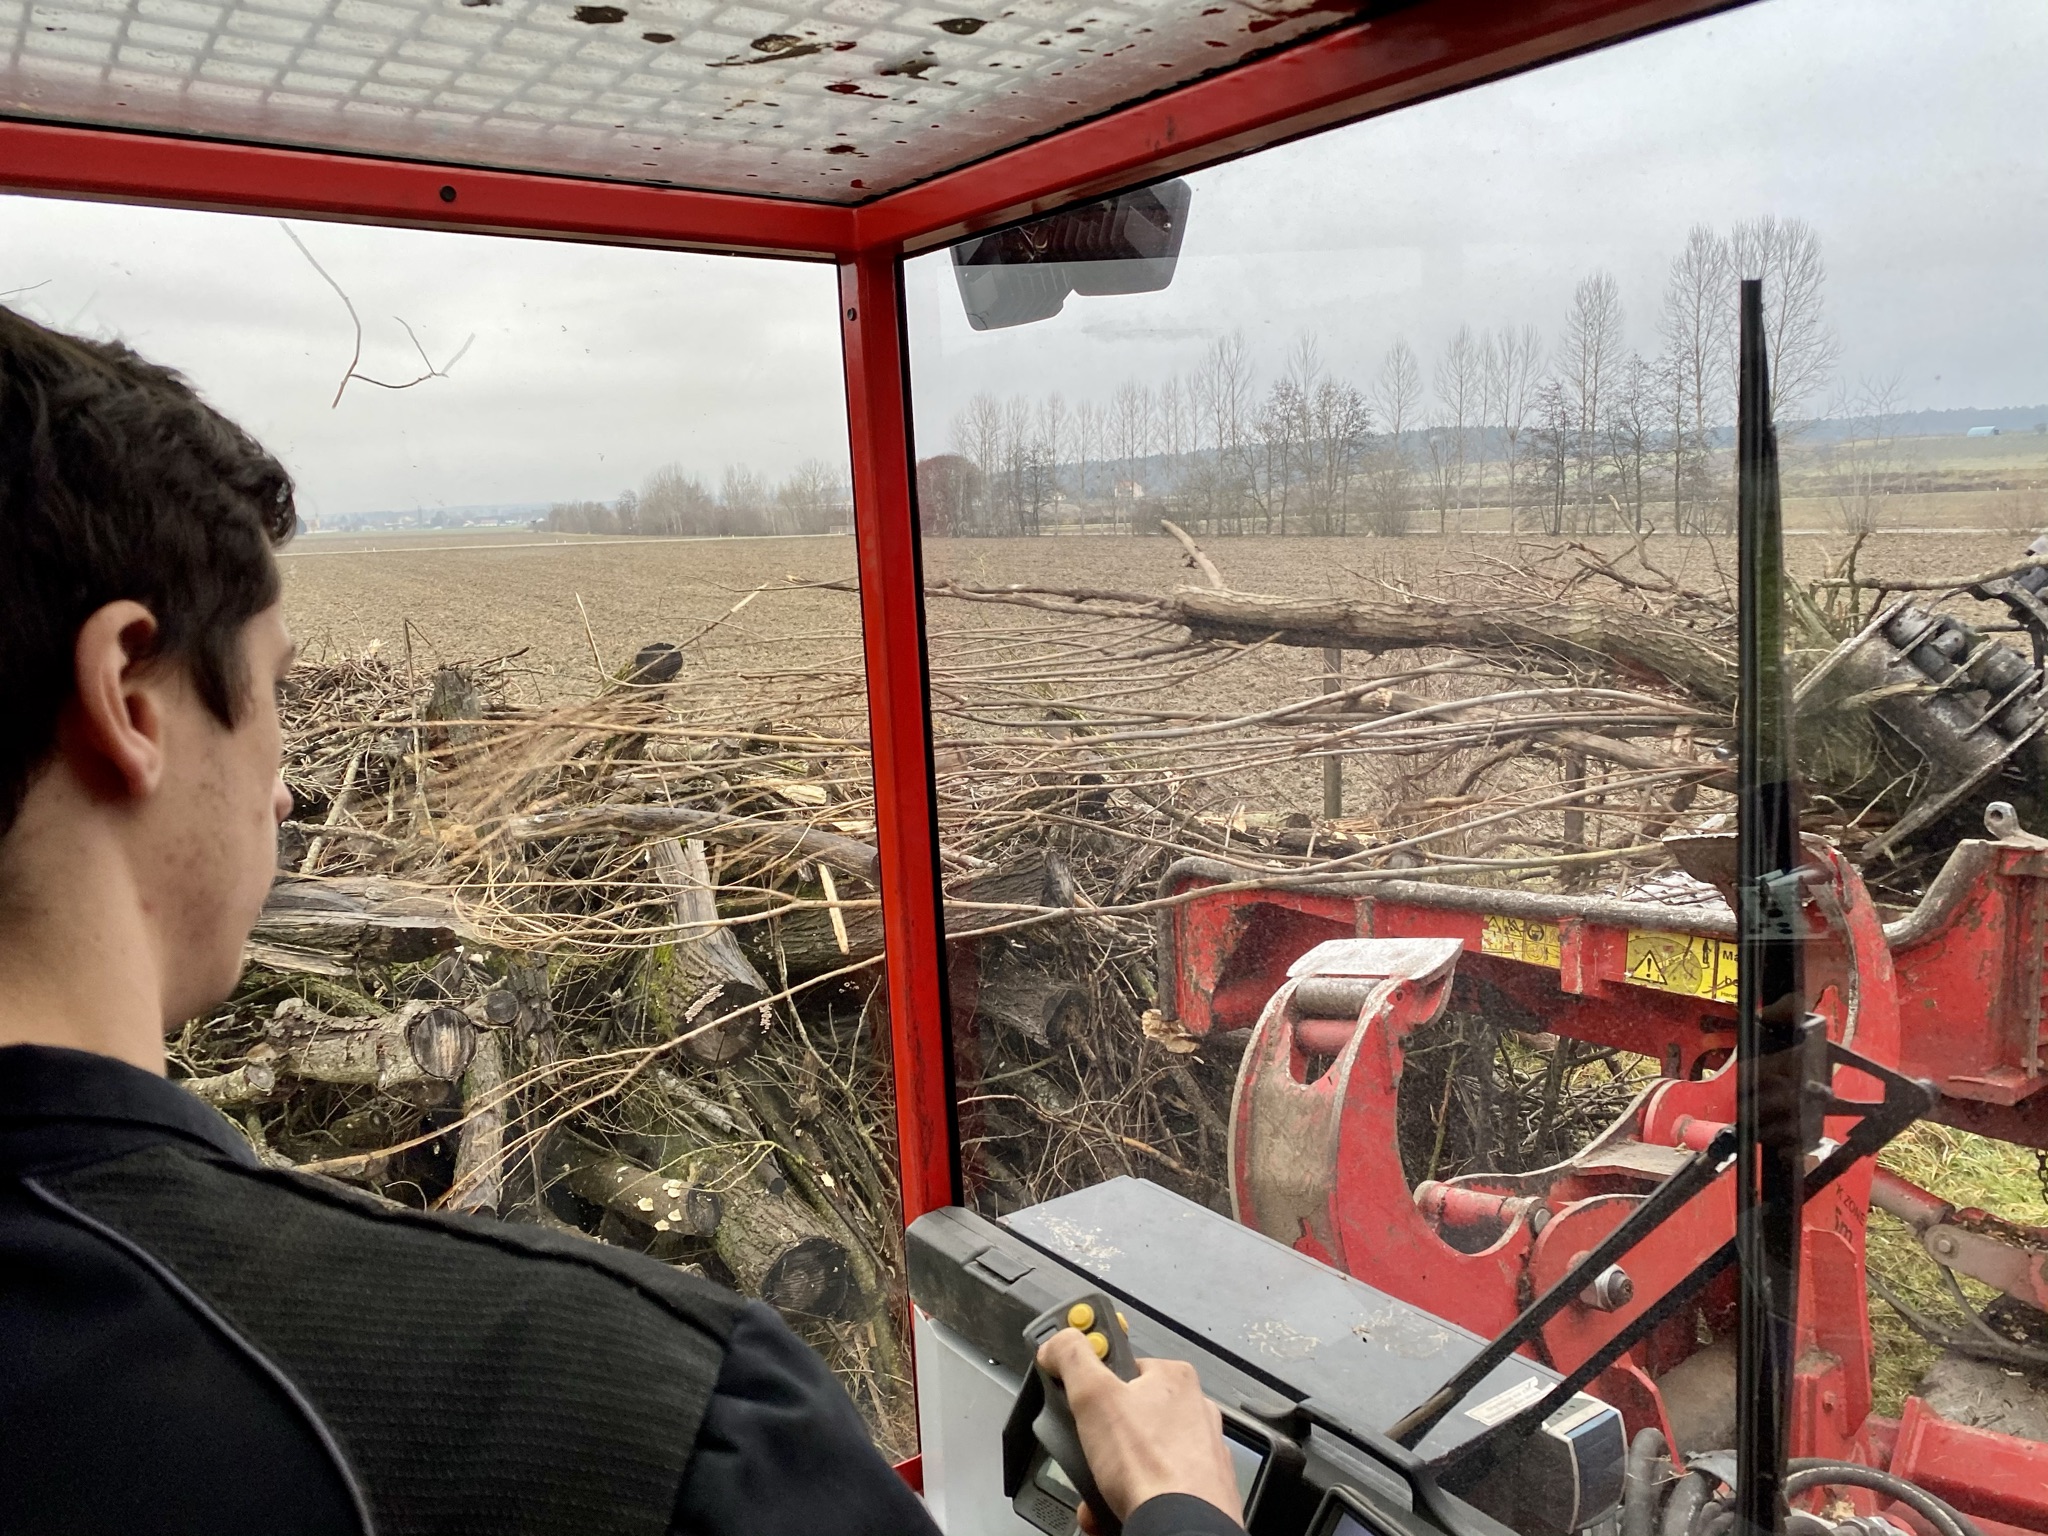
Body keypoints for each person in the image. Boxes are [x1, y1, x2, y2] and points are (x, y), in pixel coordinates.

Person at [0, 302, 1247, 1536]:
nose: (285, 783)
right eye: (267, 691)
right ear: (134, 699)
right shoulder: (646, 1421)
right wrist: (1181, 1513)